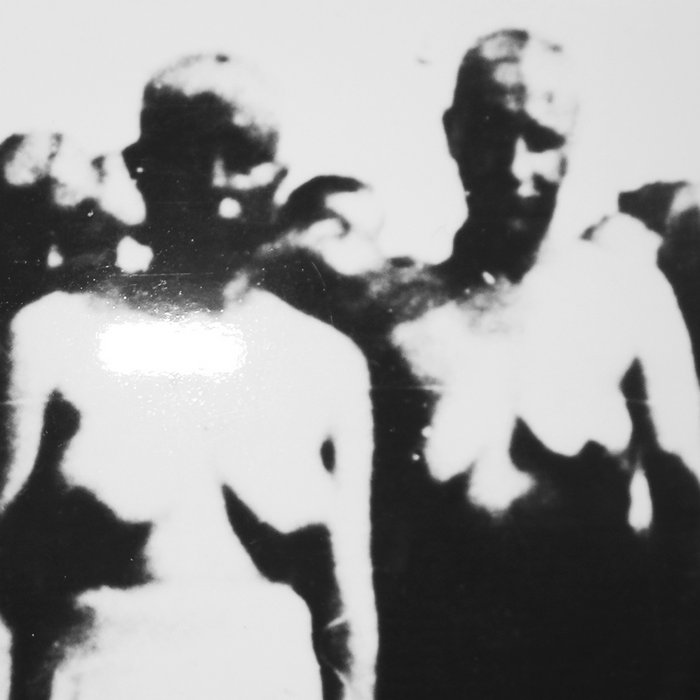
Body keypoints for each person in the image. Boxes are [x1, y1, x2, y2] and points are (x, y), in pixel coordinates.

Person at [0, 53, 377, 700]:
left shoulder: (326, 363)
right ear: (141, 166)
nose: (216, 183)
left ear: (278, 178)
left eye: (243, 156)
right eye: (188, 153)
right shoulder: (51, 336)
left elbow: (347, 620)